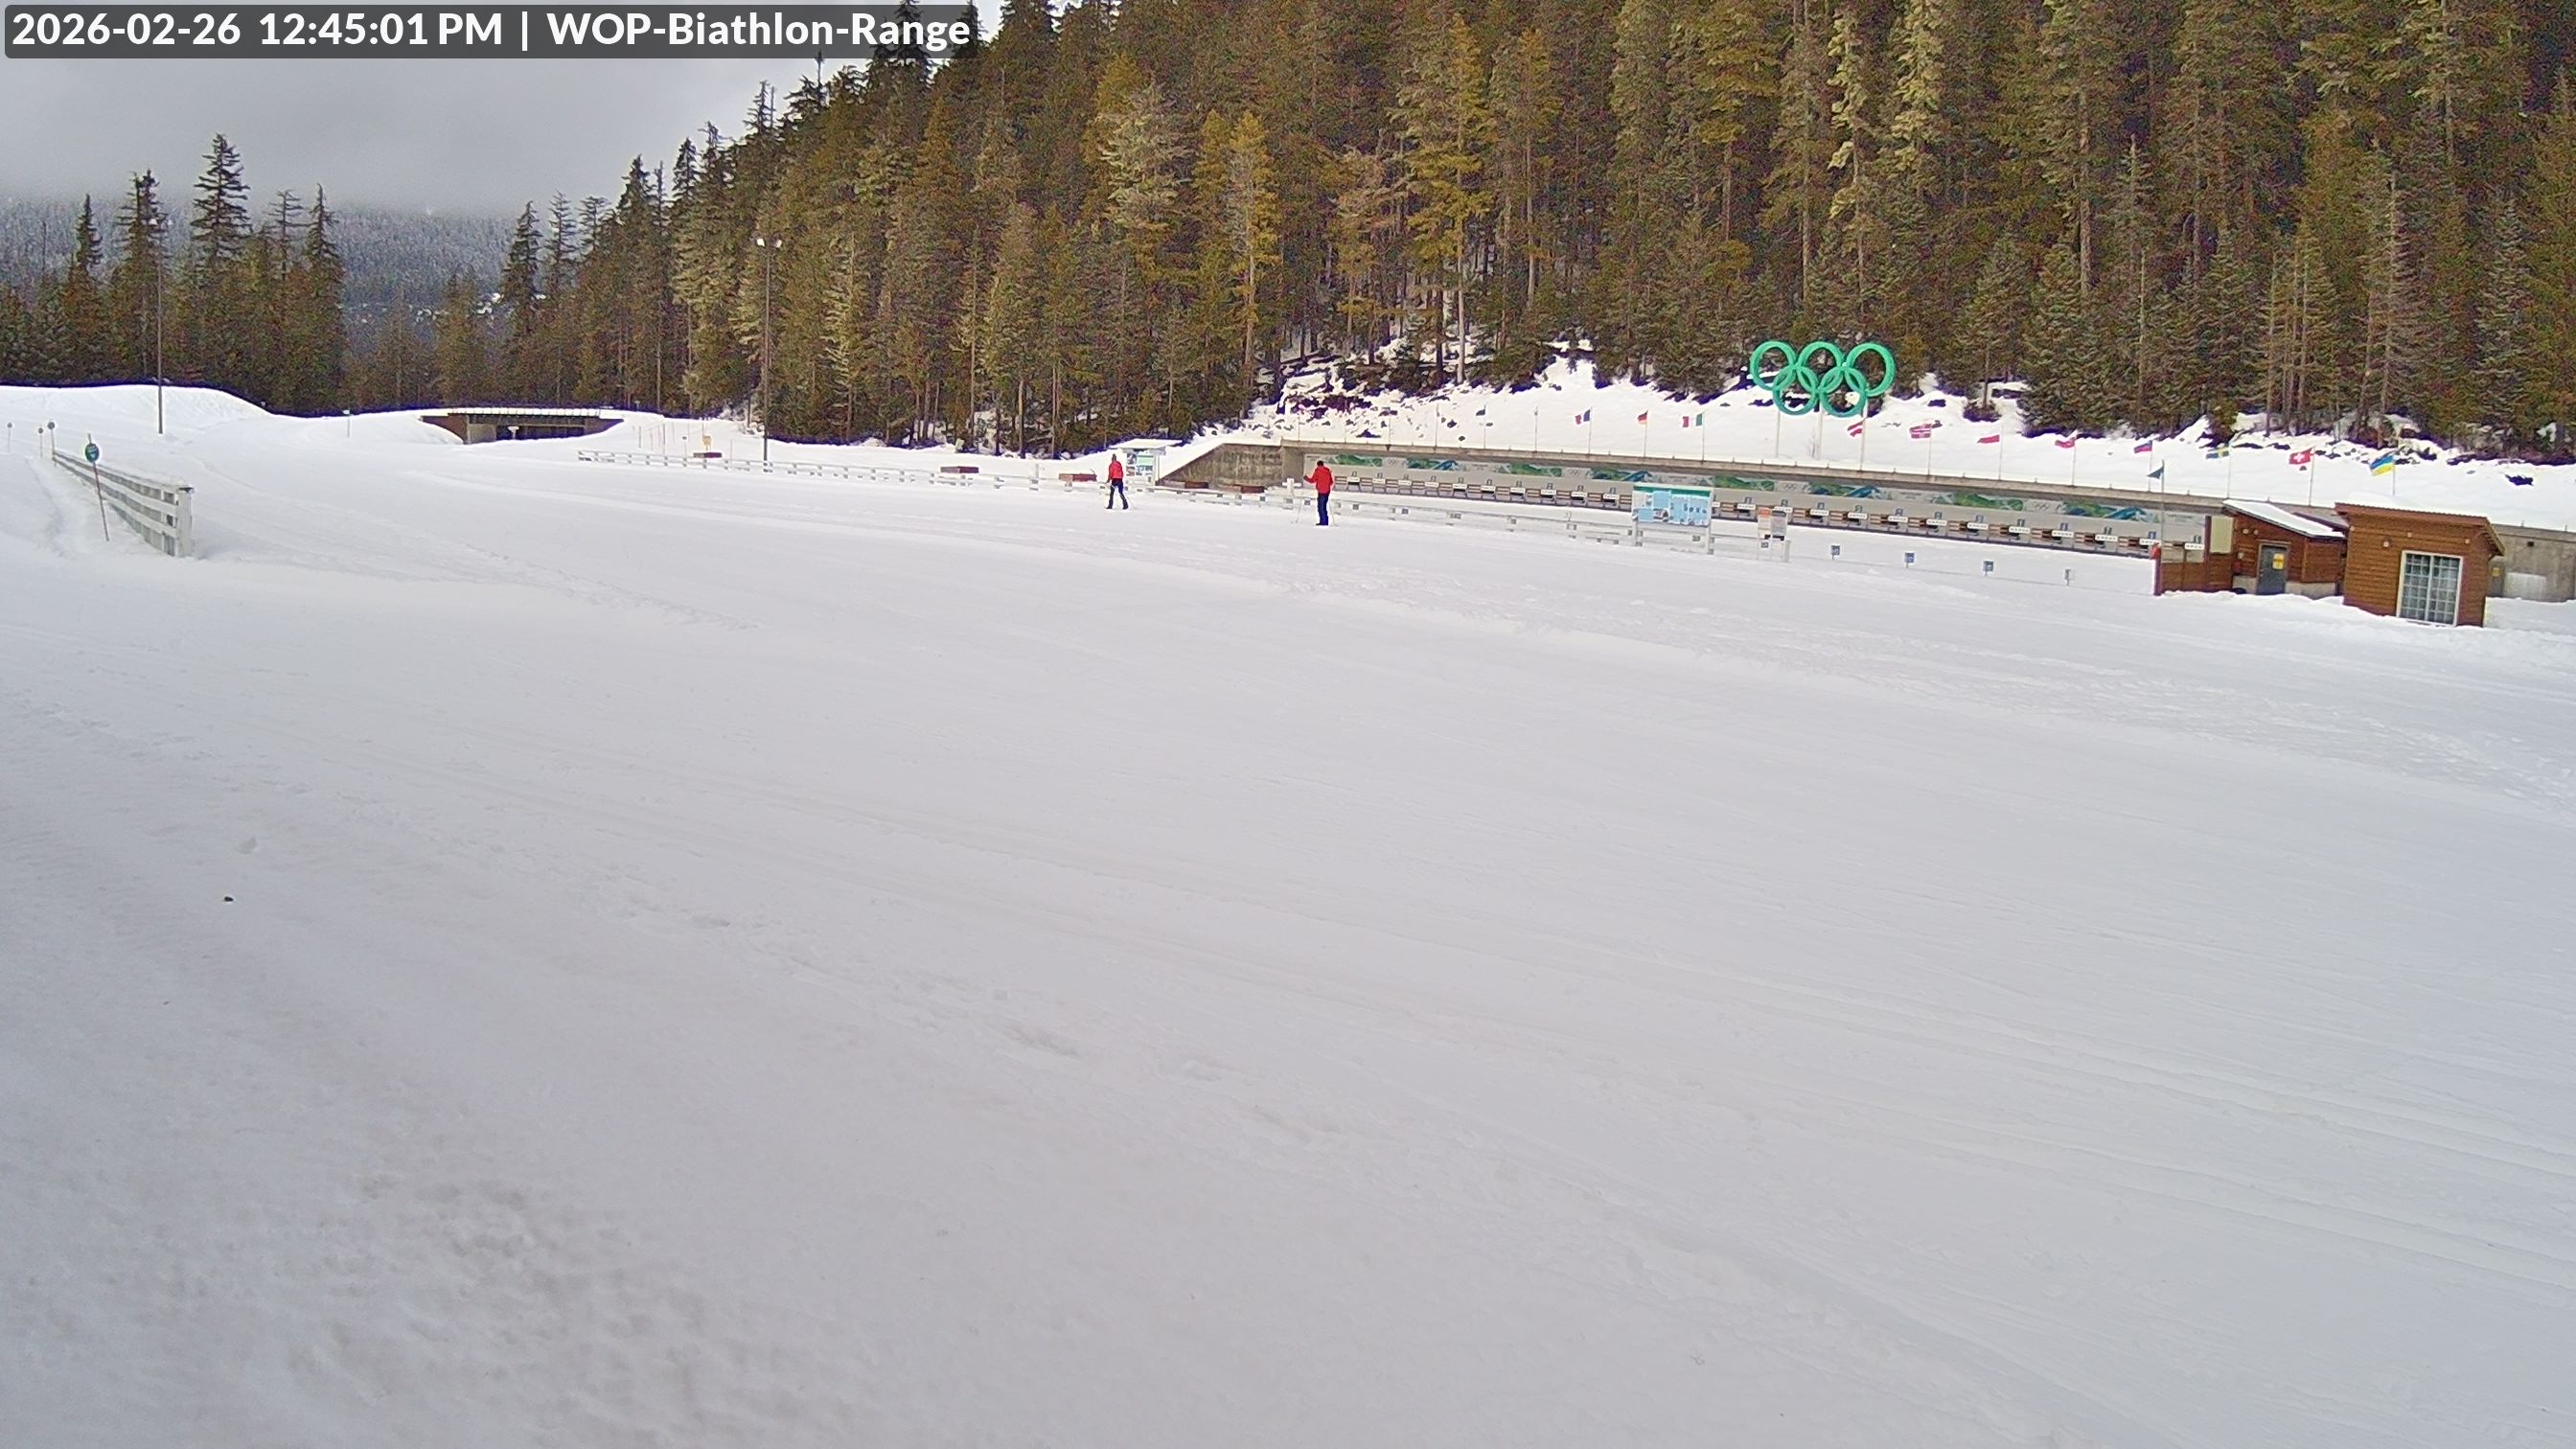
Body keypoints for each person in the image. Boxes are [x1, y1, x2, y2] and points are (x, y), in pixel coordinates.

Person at [1308, 459, 1333, 525]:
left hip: (1321, 492)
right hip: (1327, 492)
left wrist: (1306, 478)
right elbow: (1331, 482)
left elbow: (1312, 480)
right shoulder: (1328, 471)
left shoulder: (1318, 471)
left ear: (1318, 465)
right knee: (1324, 507)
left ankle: (1322, 522)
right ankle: (1326, 521)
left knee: (1320, 507)